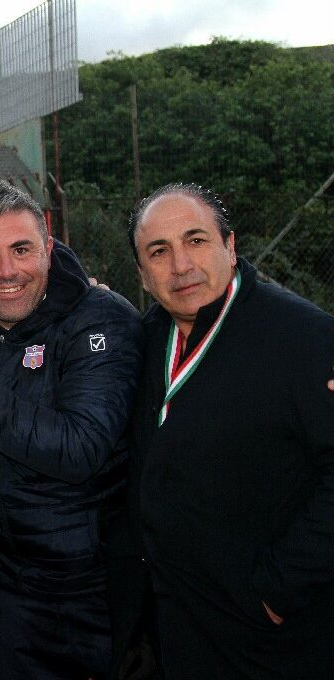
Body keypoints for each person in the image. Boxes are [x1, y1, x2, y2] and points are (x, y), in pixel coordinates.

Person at [0, 181, 144, 680]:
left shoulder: (102, 319)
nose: (7, 271)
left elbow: (80, 449)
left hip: (100, 583)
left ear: (48, 248)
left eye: (21, 249)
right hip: (10, 581)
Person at [109, 183, 334, 679]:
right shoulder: (143, 341)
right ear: (142, 274)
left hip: (275, 639)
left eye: (196, 240)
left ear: (230, 247)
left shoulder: (305, 337)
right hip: (175, 631)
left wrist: (278, 591)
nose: (181, 265)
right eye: (159, 251)